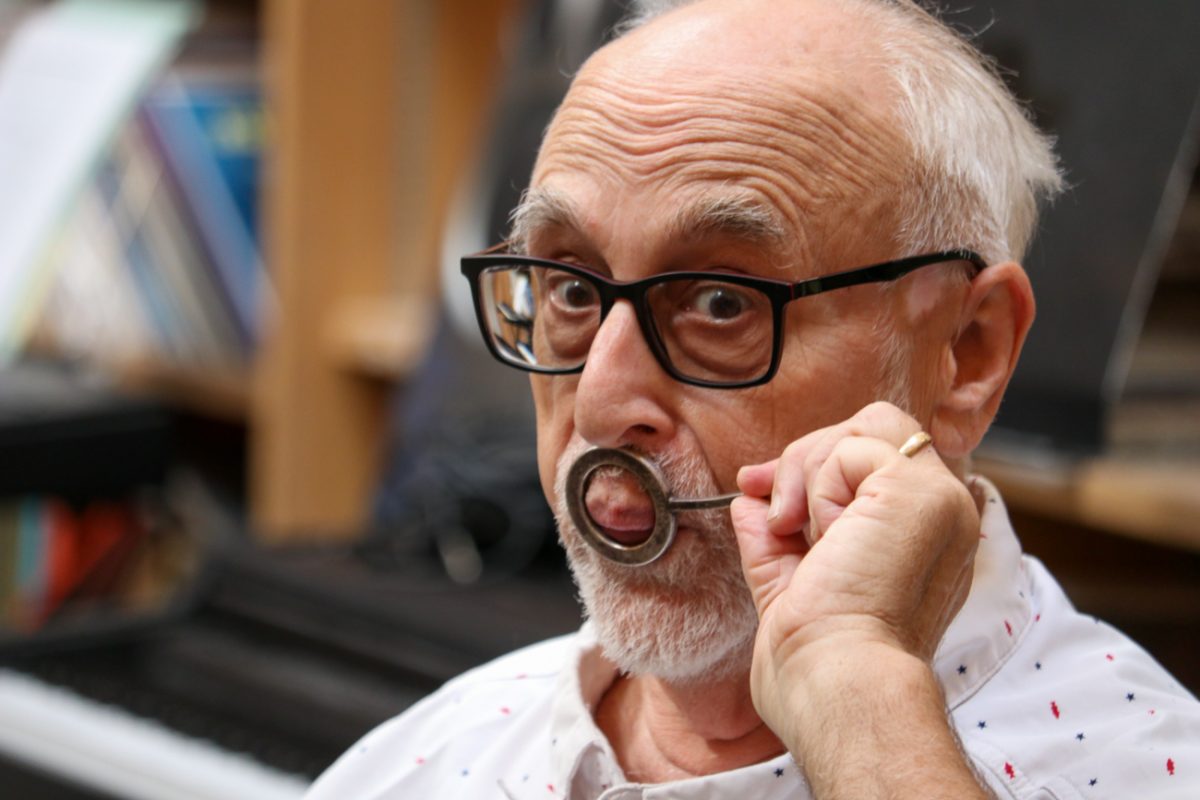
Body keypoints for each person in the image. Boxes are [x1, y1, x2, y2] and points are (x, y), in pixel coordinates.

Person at [307, 0, 1200, 797]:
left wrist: (861, 703)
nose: (600, 406)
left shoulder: (1148, 766)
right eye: (572, 291)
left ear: (966, 355)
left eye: (721, 303)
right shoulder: (424, 759)